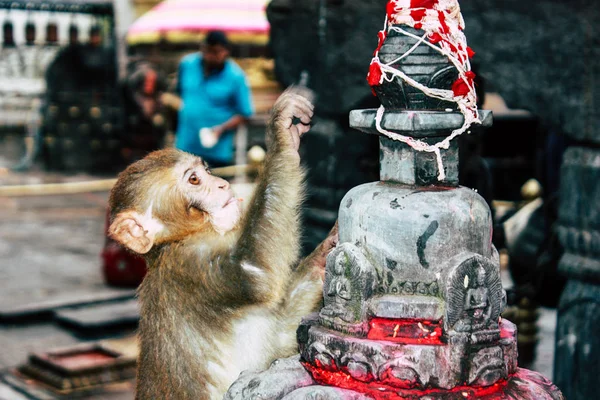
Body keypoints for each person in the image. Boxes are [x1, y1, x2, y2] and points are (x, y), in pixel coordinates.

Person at [174, 30, 254, 167]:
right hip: (185, 146)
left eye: (216, 52)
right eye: (207, 51)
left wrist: (221, 129)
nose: (211, 56)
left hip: (216, 153)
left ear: (226, 52)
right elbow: (180, 93)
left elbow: (245, 114)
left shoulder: (236, 76)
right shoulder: (187, 65)